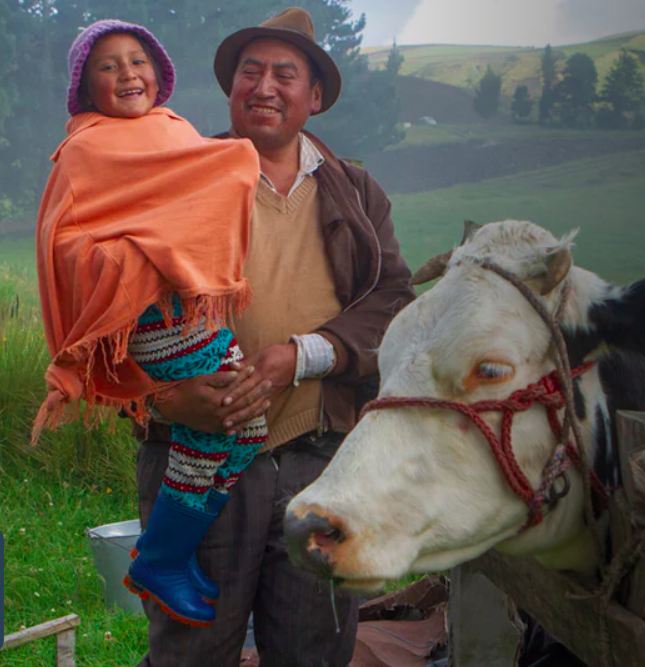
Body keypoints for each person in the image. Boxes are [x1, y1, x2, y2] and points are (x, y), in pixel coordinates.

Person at [133, 7, 415, 667]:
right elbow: (120, 310)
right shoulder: (177, 180)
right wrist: (173, 398)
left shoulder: (356, 193)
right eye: (249, 72)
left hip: (320, 457)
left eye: (284, 74)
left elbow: (391, 299)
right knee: (191, 648)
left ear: (314, 97)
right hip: (197, 454)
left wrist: (302, 355)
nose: (264, 87)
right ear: (229, 89)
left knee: (312, 648)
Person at [35, 19, 270, 628]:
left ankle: (170, 548)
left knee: (247, 424)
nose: (127, 75)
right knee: (223, 414)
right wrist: (130, 256)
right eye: (108, 67)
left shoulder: (174, 130)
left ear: (157, 71)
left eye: (136, 60)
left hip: (187, 299)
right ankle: (163, 557)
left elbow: (203, 193)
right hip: (143, 312)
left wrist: (235, 165)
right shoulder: (86, 147)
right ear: (88, 86)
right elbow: (64, 240)